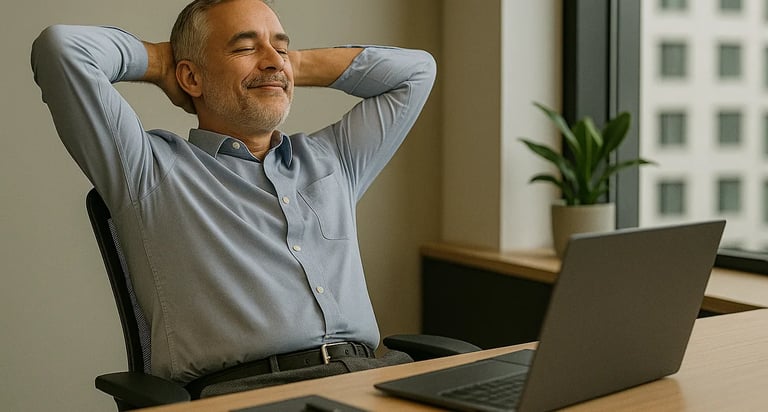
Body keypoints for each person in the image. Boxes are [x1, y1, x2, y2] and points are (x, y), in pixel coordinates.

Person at [31, 0, 436, 397]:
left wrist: (288, 65)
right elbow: (63, 50)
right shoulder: (149, 170)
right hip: (249, 393)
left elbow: (417, 71)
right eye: (244, 47)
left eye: (281, 47)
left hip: (371, 379)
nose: (273, 60)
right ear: (191, 77)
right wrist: (160, 62)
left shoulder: (333, 159)